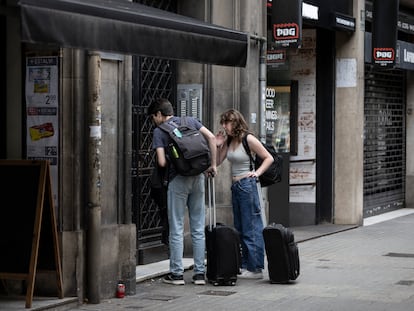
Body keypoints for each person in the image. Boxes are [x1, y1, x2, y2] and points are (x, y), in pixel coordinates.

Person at [147, 98, 217, 285]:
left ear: (159, 114)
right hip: (199, 176)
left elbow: (161, 162)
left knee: (177, 226)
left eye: (154, 117)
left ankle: (177, 274)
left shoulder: (159, 131)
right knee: (197, 226)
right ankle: (200, 274)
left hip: (177, 179)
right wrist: (213, 164)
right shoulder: (191, 121)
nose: (154, 120)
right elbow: (212, 138)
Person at [216, 109, 273, 279]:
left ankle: (255, 268)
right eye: (223, 123)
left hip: (247, 186)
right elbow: (218, 161)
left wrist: (257, 173)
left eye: (226, 123)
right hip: (236, 187)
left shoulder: (248, 139)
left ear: (235, 123)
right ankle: (246, 264)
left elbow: (268, 157)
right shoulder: (229, 140)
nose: (224, 127)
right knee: (240, 227)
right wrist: (217, 145)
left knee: (252, 228)